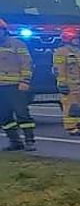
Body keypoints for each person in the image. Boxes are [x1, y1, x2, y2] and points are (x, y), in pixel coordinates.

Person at [0, 18, 36, 151]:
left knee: (22, 114)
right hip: (1, 88)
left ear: (4, 31)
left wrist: (25, 81)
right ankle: (15, 141)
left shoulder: (17, 44)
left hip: (16, 86)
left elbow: (26, 64)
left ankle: (29, 141)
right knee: (3, 116)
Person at [54, 27, 80, 136]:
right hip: (69, 84)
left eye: (78, 38)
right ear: (68, 38)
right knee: (69, 106)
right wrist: (62, 84)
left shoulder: (78, 51)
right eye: (75, 38)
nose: (78, 40)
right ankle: (70, 127)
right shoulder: (61, 52)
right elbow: (59, 69)